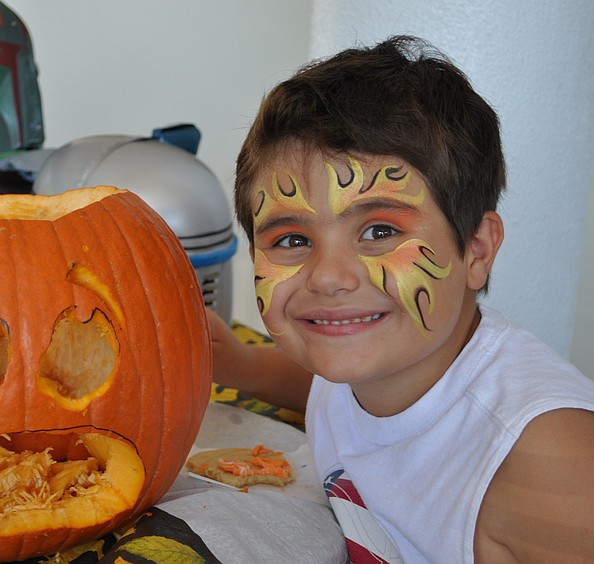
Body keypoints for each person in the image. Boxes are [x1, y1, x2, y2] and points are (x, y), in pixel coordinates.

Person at [211, 35, 594, 562]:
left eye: (379, 231)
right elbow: (329, 389)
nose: (328, 277)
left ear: (476, 251)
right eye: (292, 240)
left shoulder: (547, 462)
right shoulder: (371, 361)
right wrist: (240, 365)